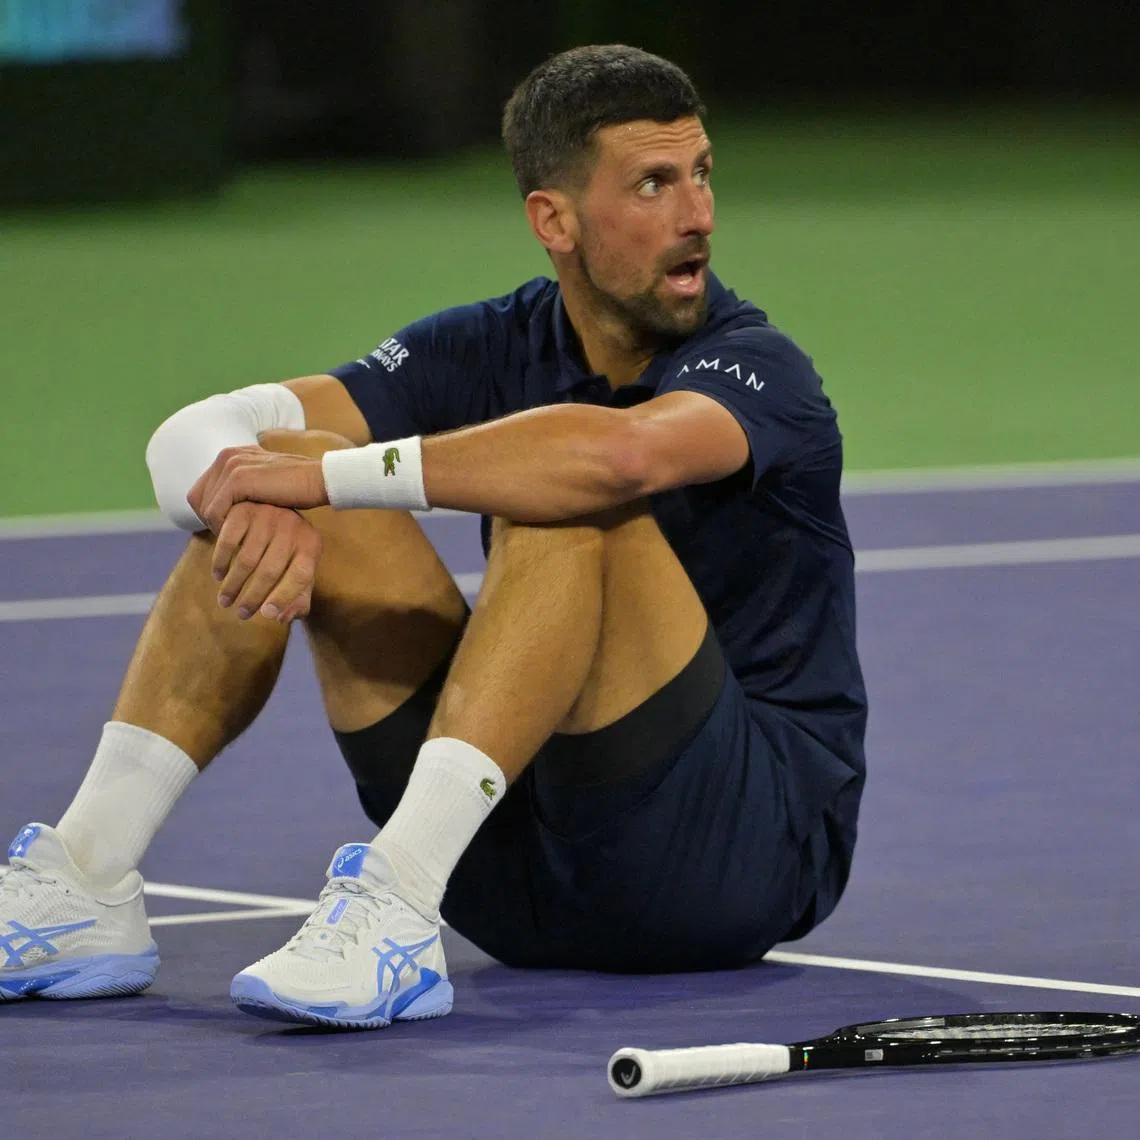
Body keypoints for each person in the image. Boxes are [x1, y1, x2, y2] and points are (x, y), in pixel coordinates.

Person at [0, 44, 867, 1027]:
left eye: (702, 173)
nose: (698, 215)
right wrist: (265, 490)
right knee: (277, 469)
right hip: (515, 876)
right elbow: (201, 436)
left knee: (564, 490)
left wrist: (315, 475)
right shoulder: (487, 341)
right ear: (555, 219)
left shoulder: (758, 367)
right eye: (655, 184)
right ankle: (86, 876)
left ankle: (395, 899)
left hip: (727, 858)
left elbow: (618, 460)